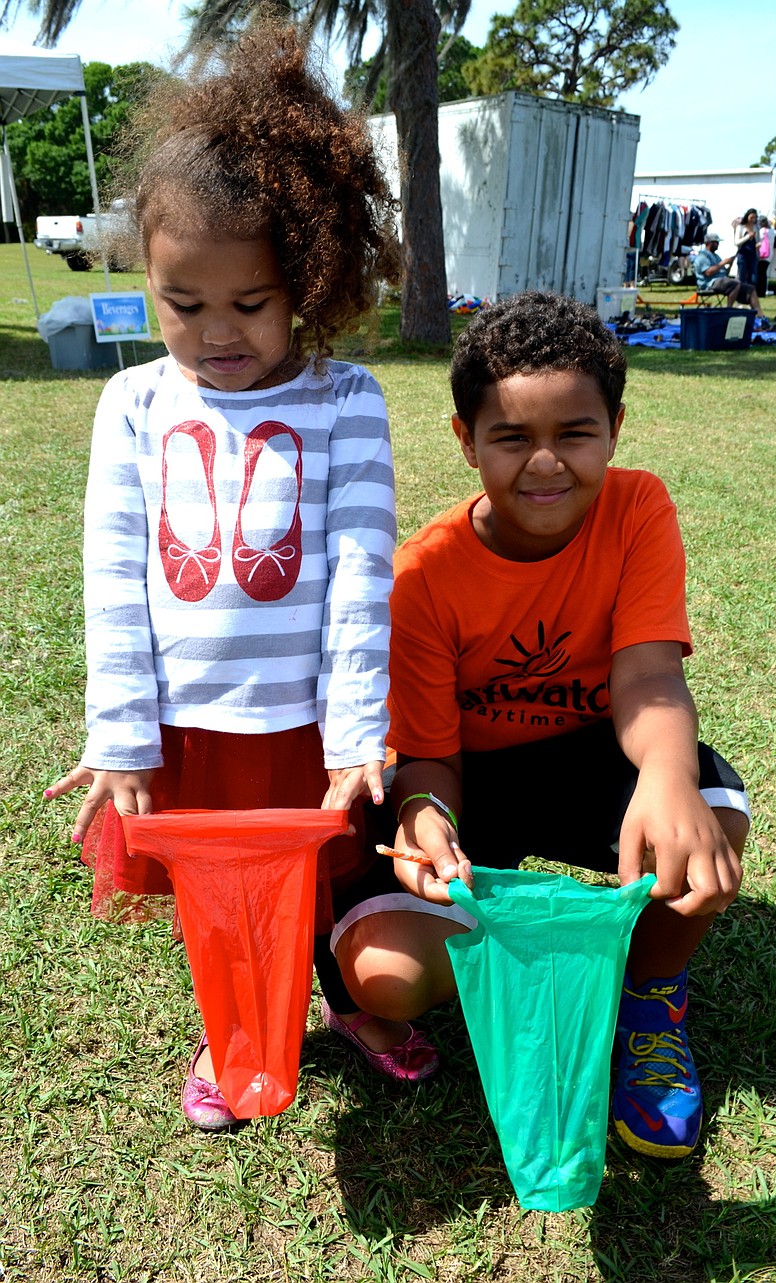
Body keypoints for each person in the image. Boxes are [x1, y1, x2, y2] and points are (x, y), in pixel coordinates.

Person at [43, 23, 420, 1131]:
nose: (215, 332)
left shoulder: (346, 401)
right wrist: (122, 732)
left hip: (307, 725)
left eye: (249, 303)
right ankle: (235, 1026)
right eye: (182, 302)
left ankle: (349, 1000)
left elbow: (360, 574)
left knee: (326, 877)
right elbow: (113, 574)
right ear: (147, 282)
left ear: (306, 277)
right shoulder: (133, 403)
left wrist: (357, 729)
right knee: (220, 894)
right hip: (187, 725)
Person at [328, 292, 751, 1162]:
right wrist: (425, 819)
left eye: (576, 432)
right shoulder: (423, 578)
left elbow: (647, 676)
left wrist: (668, 779)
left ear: (616, 428)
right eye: (513, 437)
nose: (546, 462)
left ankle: (648, 994)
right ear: (466, 439)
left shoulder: (637, 509)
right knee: (386, 976)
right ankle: (546, 953)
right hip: (472, 781)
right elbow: (430, 756)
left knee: (712, 815)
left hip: (588, 758)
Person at [693, 231, 767, 317]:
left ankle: (760, 315)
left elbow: (724, 274)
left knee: (750, 288)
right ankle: (728, 311)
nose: (718, 245)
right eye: (716, 242)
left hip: (722, 281)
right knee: (734, 284)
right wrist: (723, 263)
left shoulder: (716, 256)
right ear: (709, 243)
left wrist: (730, 264)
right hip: (710, 283)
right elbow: (708, 273)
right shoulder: (702, 256)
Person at [733, 208, 759, 287]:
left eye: (755, 218)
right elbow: (736, 242)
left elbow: (757, 240)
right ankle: (741, 292)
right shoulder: (741, 227)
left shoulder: (756, 227)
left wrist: (758, 245)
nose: (753, 220)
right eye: (751, 217)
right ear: (747, 216)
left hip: (753, 255)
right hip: (743, 254)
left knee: (753, 278)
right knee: (742, 276)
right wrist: (747, 236)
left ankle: (751, 292)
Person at [756, 215, 776, 298]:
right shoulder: (772, 231)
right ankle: (762, 291)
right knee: (763, 273)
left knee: (760, 273)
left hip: (762, 254)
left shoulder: (761, 231)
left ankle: (759, 291)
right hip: (769, 254)